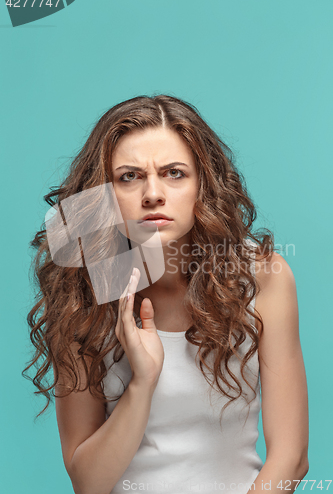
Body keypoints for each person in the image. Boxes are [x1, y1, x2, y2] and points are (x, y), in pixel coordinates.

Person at [24, 94, 309, 494]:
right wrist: (142, 382)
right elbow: (88, 482)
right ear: (103, 195)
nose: (153, 193)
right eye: (129, 176)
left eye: (174, 173)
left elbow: (291, 457)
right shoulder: (81, 293)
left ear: (203, 185)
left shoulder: (262, 276)